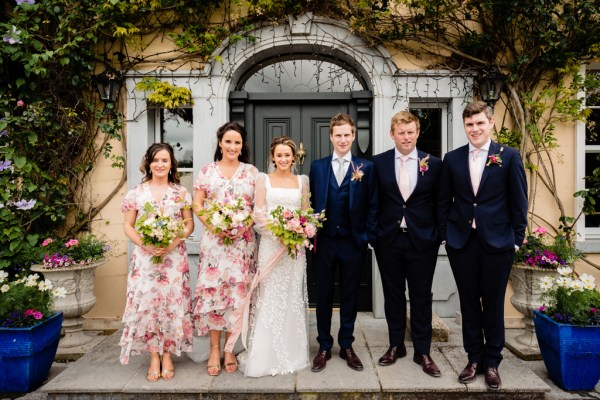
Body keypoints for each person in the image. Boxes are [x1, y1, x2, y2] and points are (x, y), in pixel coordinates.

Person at [437, 101, 528, 390]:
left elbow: (519, 201)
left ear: (491, 123)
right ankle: (473, 358)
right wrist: (445, 235)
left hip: (498, 243)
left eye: (479, 123)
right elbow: (443, 201)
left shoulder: (509, 156)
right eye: (469, 125)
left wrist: (515, 240)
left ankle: (492, 362)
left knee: (493, 303)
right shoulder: (452, 159)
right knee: (468, 302)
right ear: (464, 127)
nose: (474, 129)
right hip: (462, 243)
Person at [229, 136, 311, 377]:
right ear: (272, 157)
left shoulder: (302, 181)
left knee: (291, 296)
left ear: (293, 158)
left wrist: (297, 232)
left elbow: (306, 213)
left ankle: (291, 352)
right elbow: (259, 213)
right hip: (271, 246)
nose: (283, 159)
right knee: (270, 296)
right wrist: (281, 233)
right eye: (279, 155)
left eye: (288, 155)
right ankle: (265, 354)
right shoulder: (263, 179)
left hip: (294, 250)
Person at [373, 111, 442, 377]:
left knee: (421, 296)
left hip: (423, 241)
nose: (406, 137)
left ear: (417, 133)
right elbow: (374, 201)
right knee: (393, 295)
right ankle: (395, 345)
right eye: (401, 132)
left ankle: (422, 351)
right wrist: (374, 234)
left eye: (410, 132)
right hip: (388, 240)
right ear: (392, 134)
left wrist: (438, 234)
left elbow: (441, 202)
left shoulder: (433, 164)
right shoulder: (378, 163)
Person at [119, 143, 195, 382]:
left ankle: (169, 354)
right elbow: (128, 226)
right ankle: (154, 355)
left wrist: (172, 243)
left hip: (173, 258)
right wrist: (144, 244)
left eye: (165, 160)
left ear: (172, 164)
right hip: (146, 259)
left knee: (172, 304)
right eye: (156, 160)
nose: (160, 165)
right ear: (148, 164)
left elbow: (188, 223)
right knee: (150, 305)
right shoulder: (136, 193)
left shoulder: (180, 193)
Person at [309, 113, 378, 372]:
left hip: (353, 242)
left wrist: (367, 237)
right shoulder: (317, 166)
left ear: (353, 136)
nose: (342, 139)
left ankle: (347, 344)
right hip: (325, 242)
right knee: (324, 295)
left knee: (350, 296)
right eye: (338, 135)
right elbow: (311, 201)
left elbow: (373, 205)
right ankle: (324, 346)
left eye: (347, 134)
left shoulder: (366, 168)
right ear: (331, 137)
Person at [192, 122, 258, 376]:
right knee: (214, 297)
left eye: (237, 142)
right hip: (215, 244)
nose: (232, 146)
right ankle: (214, 349)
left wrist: (244, 227)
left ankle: (230, 349)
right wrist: (214, 225)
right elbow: (198, 204)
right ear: (220, 143)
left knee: (236, 297)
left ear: (243, 146)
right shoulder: (207, 171)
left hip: (242, 244)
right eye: (228, 141)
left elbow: (257, 206)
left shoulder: (251, 172)